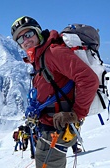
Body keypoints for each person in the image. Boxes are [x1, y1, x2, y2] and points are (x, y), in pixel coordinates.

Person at [10, 16, 99, 168]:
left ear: (37, 32)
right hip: (49, 128)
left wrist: (76, 113)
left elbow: (89, 79)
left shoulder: (53, 52)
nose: (25, 40)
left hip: (57, 129)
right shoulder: (39, 58)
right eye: (20, 39)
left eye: (28, 34)